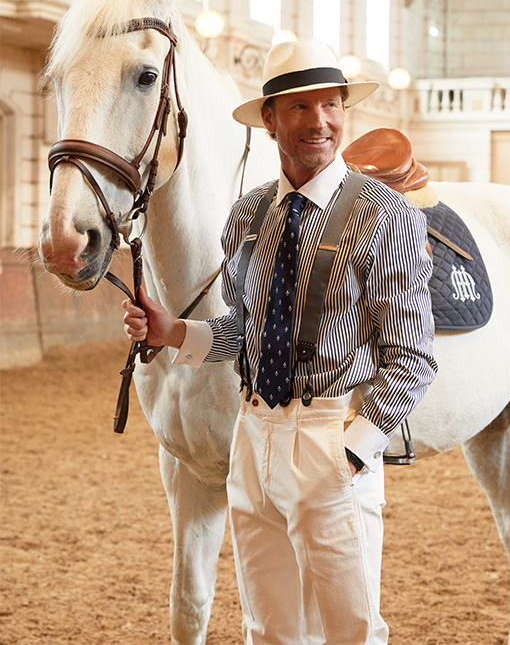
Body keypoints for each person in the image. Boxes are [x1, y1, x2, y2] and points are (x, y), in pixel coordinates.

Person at [123, 38, 437, 645]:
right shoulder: (248, 215)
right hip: (252, 437)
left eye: (332, 105)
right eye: (300, 107)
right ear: (270, 119)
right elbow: (244, 331)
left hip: (330, 440)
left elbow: (412, 359)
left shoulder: (386, 215)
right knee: (267, 629)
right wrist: (174, 332)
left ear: (345, 110)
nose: (319, 122)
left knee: (350, 631)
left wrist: (350, 453)